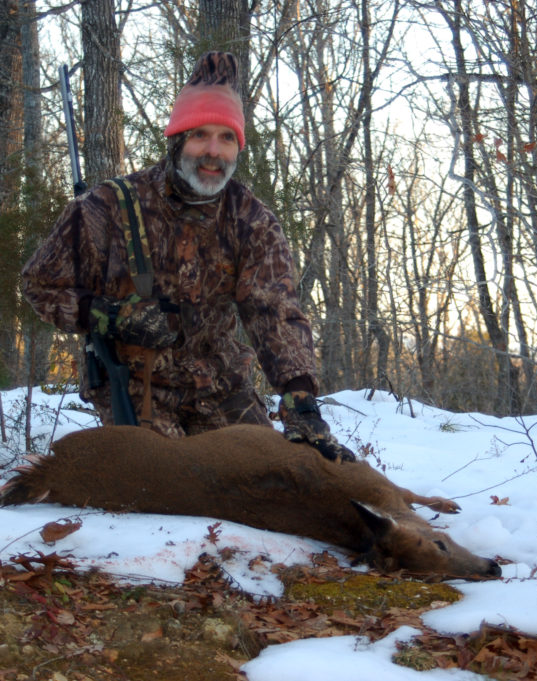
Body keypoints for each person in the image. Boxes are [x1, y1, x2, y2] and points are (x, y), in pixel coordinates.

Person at [21, 51, 353, 462]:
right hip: (138, 387)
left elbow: (275, 311)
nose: (213, 152)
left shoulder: (251, 219)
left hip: (222, 386)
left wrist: (301, 401)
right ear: (177, 139)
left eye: (226, 137)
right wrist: (108, 315)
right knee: (174, 485)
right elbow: (40, 286)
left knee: (276, 472)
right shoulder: (109, 206)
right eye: (200, 135)